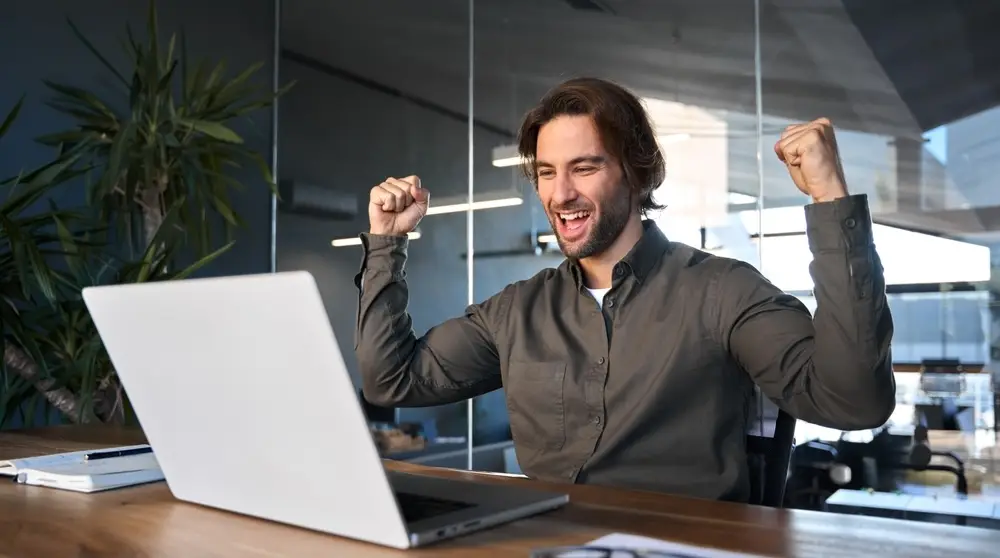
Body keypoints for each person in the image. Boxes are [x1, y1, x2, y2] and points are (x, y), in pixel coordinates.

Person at [353, 77, 895, 502]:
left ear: (636, 173)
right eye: (546, 172)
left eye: (584, 167)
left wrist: (830, 200)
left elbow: (855, 401)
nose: (560, 193)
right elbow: (390, 383)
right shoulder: (517, 310)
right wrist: (386, 245)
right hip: (547, 542)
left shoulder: (722, 291)